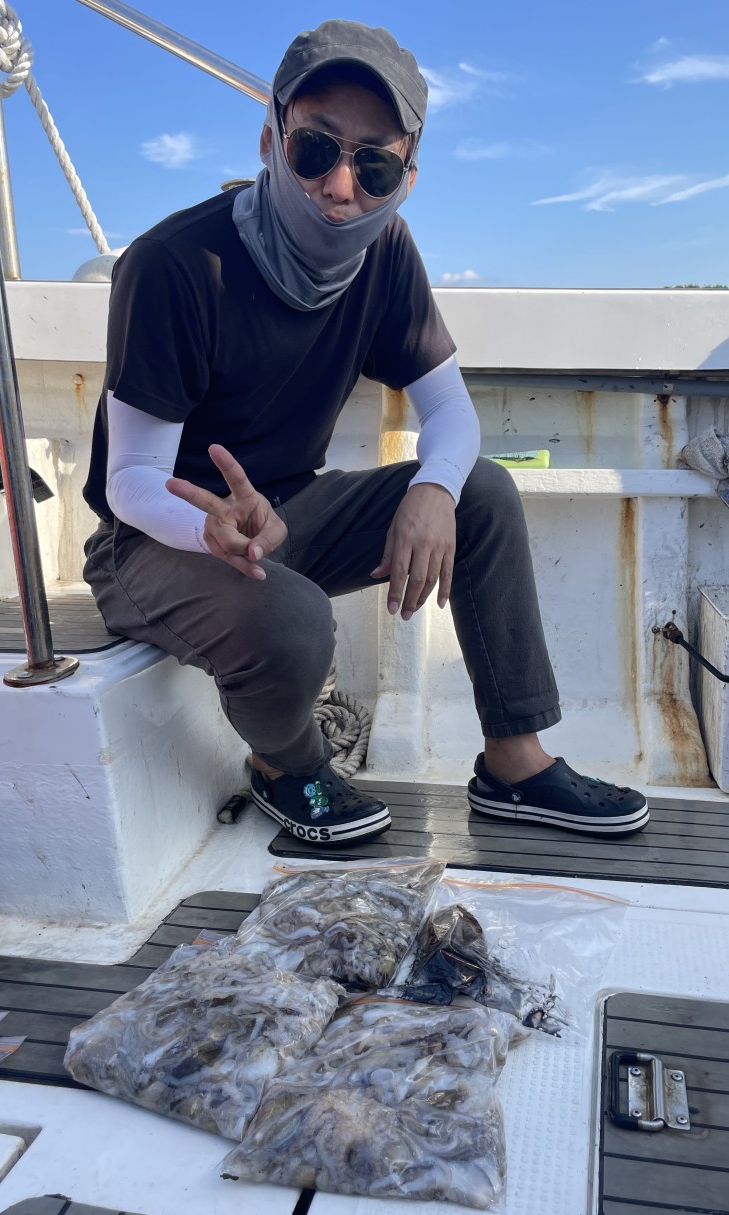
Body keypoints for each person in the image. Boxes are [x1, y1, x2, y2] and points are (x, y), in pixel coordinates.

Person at [83, 19, 649, 847]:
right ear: (271, 137)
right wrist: (208, 526)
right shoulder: (176, 263)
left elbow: (451, 413)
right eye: (315, 149)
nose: (340, 187)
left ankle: (514, 763)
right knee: (294, 617)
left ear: (406, 178)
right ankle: (286, 765)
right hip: (156, 543)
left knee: (479, 490)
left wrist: (433, 489)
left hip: (294, 513)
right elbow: (130, 480)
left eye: (374, 164)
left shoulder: (385, 252)